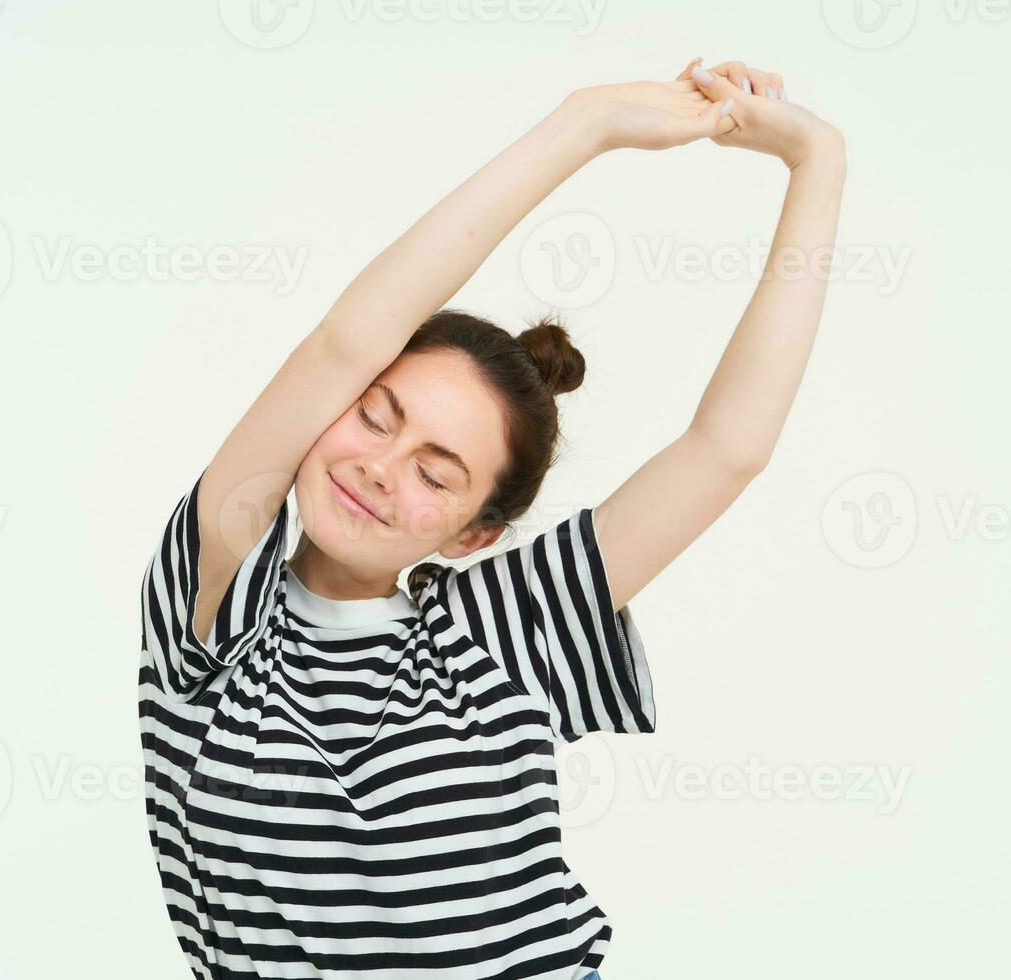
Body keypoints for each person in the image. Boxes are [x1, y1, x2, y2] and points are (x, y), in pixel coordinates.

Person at [137, 57, 845, 979]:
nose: (379, 470)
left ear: (471, 534)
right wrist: (579, 127)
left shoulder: (496, 631)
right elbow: (345, 339)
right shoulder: (219, 611)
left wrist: (817, 163)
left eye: (437, 474)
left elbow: (728, 447)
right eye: (374, 416)